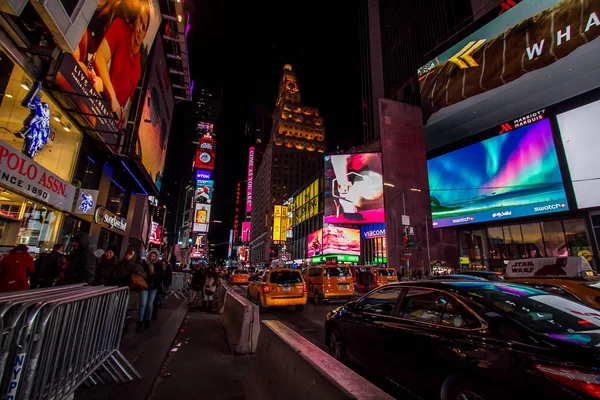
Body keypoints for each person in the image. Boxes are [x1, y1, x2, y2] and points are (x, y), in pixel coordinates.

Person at [94, 0, 150, 128]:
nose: (140, 29)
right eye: (140, 21)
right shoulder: (120, 27)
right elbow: (100, 58)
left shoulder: (137, 71)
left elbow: (128, 108)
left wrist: (123, 115)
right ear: (135, 21)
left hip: (110, 123)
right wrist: (113, 98)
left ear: (146, 33)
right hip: (94, 96)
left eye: (144, 27)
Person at [136, 250, 164, 330]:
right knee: (142, 304)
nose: (152, 258)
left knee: (149, 304)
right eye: (151, 256)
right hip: (145, 286)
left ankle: (147, 320)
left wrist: (157, 281)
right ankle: (140, 322)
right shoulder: (144, 264)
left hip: (153, 287)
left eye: (154, 256)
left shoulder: (158, 265)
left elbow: (161, 276)